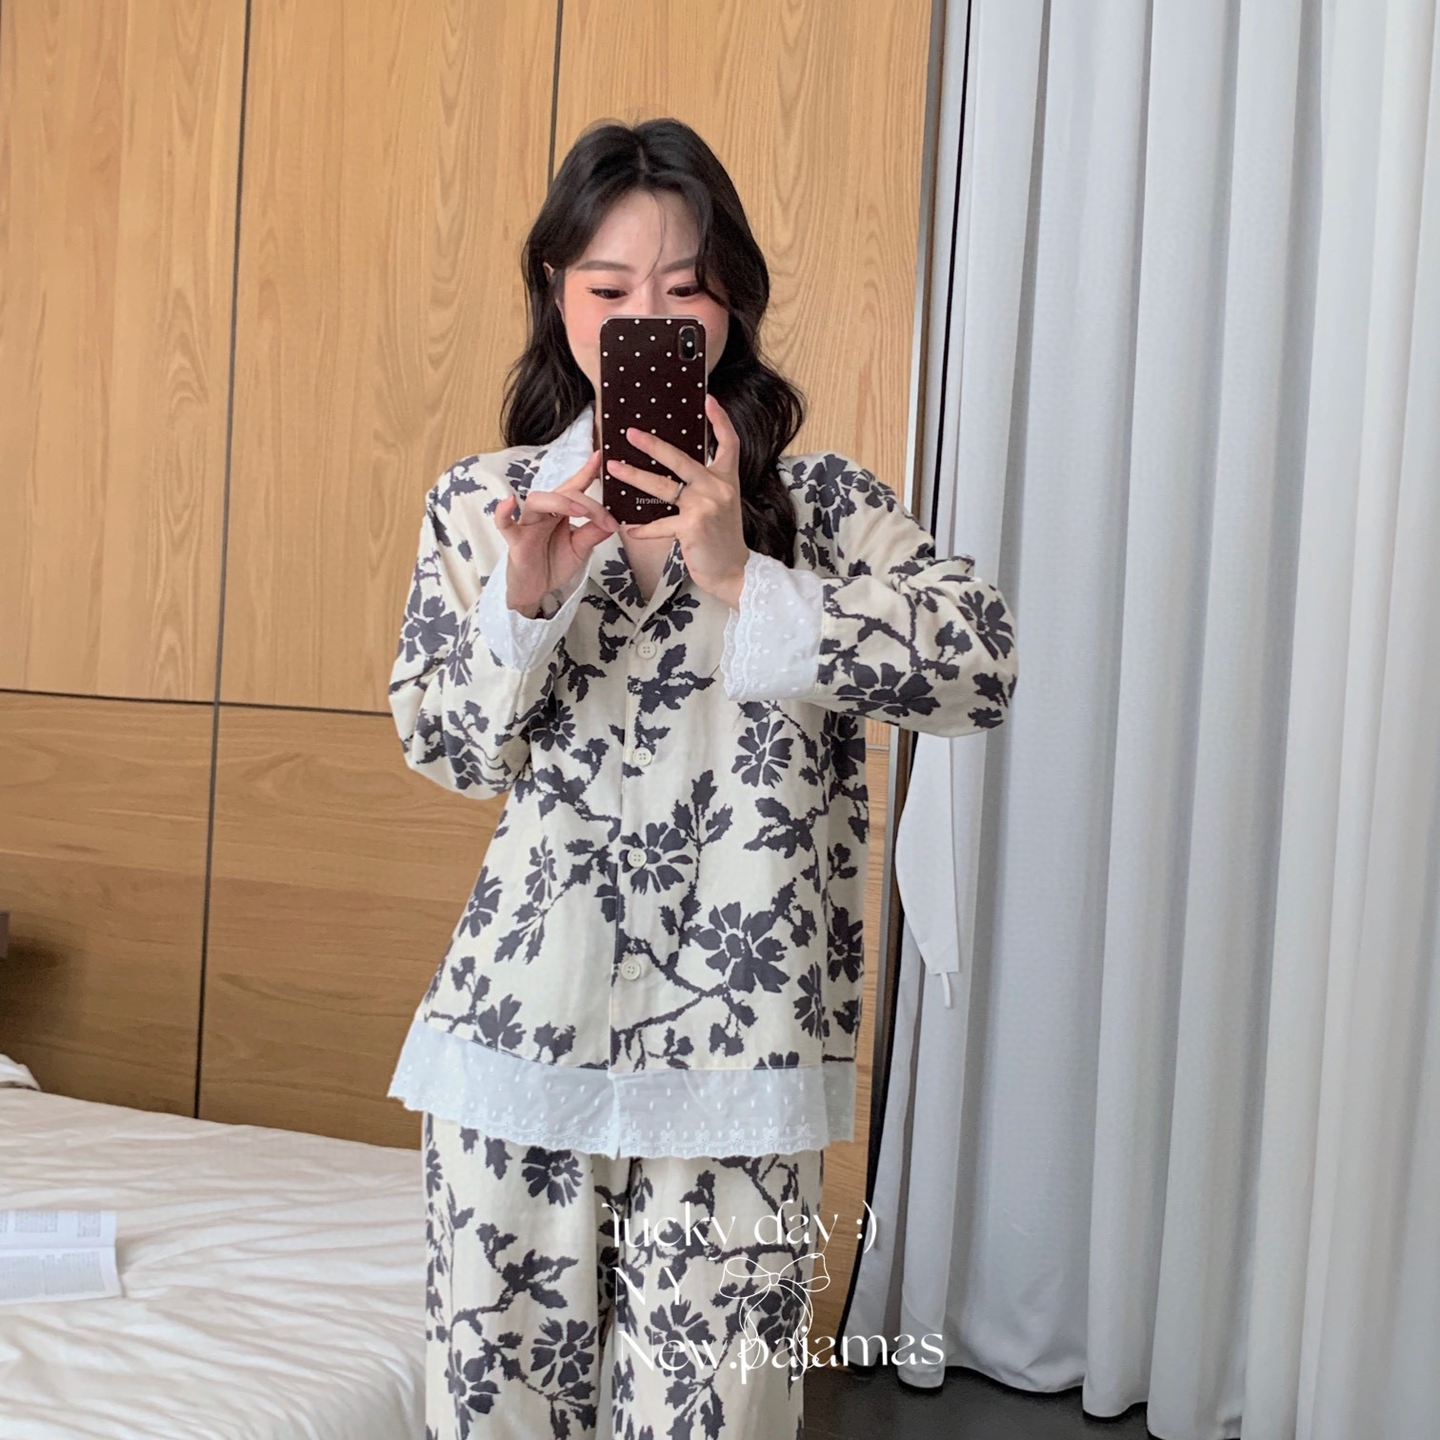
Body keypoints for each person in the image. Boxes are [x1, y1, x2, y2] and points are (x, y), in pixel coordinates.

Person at [386, 117, 1018, 1440]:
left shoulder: (822, 509)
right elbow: (441, 746)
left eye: (684, 290)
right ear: (557, 297)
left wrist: (744, 575)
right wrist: (522, 605)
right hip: (516, 1046)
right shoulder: (488, 505)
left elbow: (979, 670)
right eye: (610, 290)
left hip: (742, 1060)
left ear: (732, 302)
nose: (648, 321)